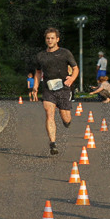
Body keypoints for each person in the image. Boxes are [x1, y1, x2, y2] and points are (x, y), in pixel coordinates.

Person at [34, 27, 78, 156]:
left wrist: (72, 78)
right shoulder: (40, 56)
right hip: (48, 89)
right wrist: (35, 87)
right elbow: (38, 72)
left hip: (64, 88)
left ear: (57, 39)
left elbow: (75, 68)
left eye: (52, 38)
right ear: (45, 39)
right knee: (49, 114)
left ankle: (66, 120)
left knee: (66, 118)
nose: (50, 40)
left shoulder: (65, 53)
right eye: (48, 38)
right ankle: (52, 144)